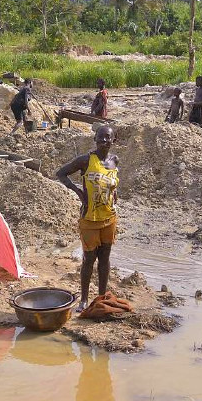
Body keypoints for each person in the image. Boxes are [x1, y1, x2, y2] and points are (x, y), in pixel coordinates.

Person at [56, 125, 119, 313]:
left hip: (110, 217)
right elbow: (61, 173)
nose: (104, 141)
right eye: (101, 137)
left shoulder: (115, 160)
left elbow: (113, 183)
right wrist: (78, 193)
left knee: (105, 258)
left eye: (108, 138)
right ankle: (84, 299)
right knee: (89, 258)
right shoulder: (85, 160)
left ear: (113, 140)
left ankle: (100, 296)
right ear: (95, 139)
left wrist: (115, 196)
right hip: (90, 218)